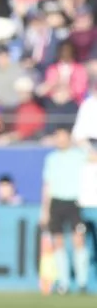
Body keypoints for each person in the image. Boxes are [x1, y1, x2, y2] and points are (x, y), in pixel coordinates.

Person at [39, 125, 91, 295]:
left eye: (62, 136)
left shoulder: (79, 155)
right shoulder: (51, 158)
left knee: (78, 241)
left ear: (69, 137)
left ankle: (82, 282)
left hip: (74, 202)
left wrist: (84, 144)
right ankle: (64, 283)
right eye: (57, 136)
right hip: (57, 202)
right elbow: (47, 186)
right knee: (58, 242)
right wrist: (45, 210)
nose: (60, 140)